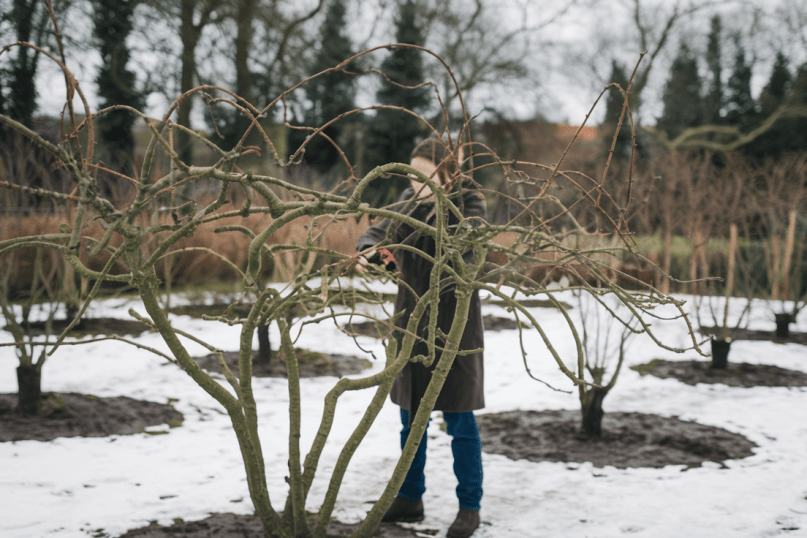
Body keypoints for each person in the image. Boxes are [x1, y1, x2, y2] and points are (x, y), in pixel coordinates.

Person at [355, 137, 486, 538]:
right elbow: (374, 233)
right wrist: (371, 254)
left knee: (459, 420)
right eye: (412, 174)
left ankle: (469, 507)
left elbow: (470, 249)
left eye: (425, 174)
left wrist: (449, 249)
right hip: (410, 324)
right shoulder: (406, 205)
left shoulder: (468, 204)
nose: (416, 182)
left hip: (453, 327)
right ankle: (410, 497)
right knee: (411, 417)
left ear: (446, 172)